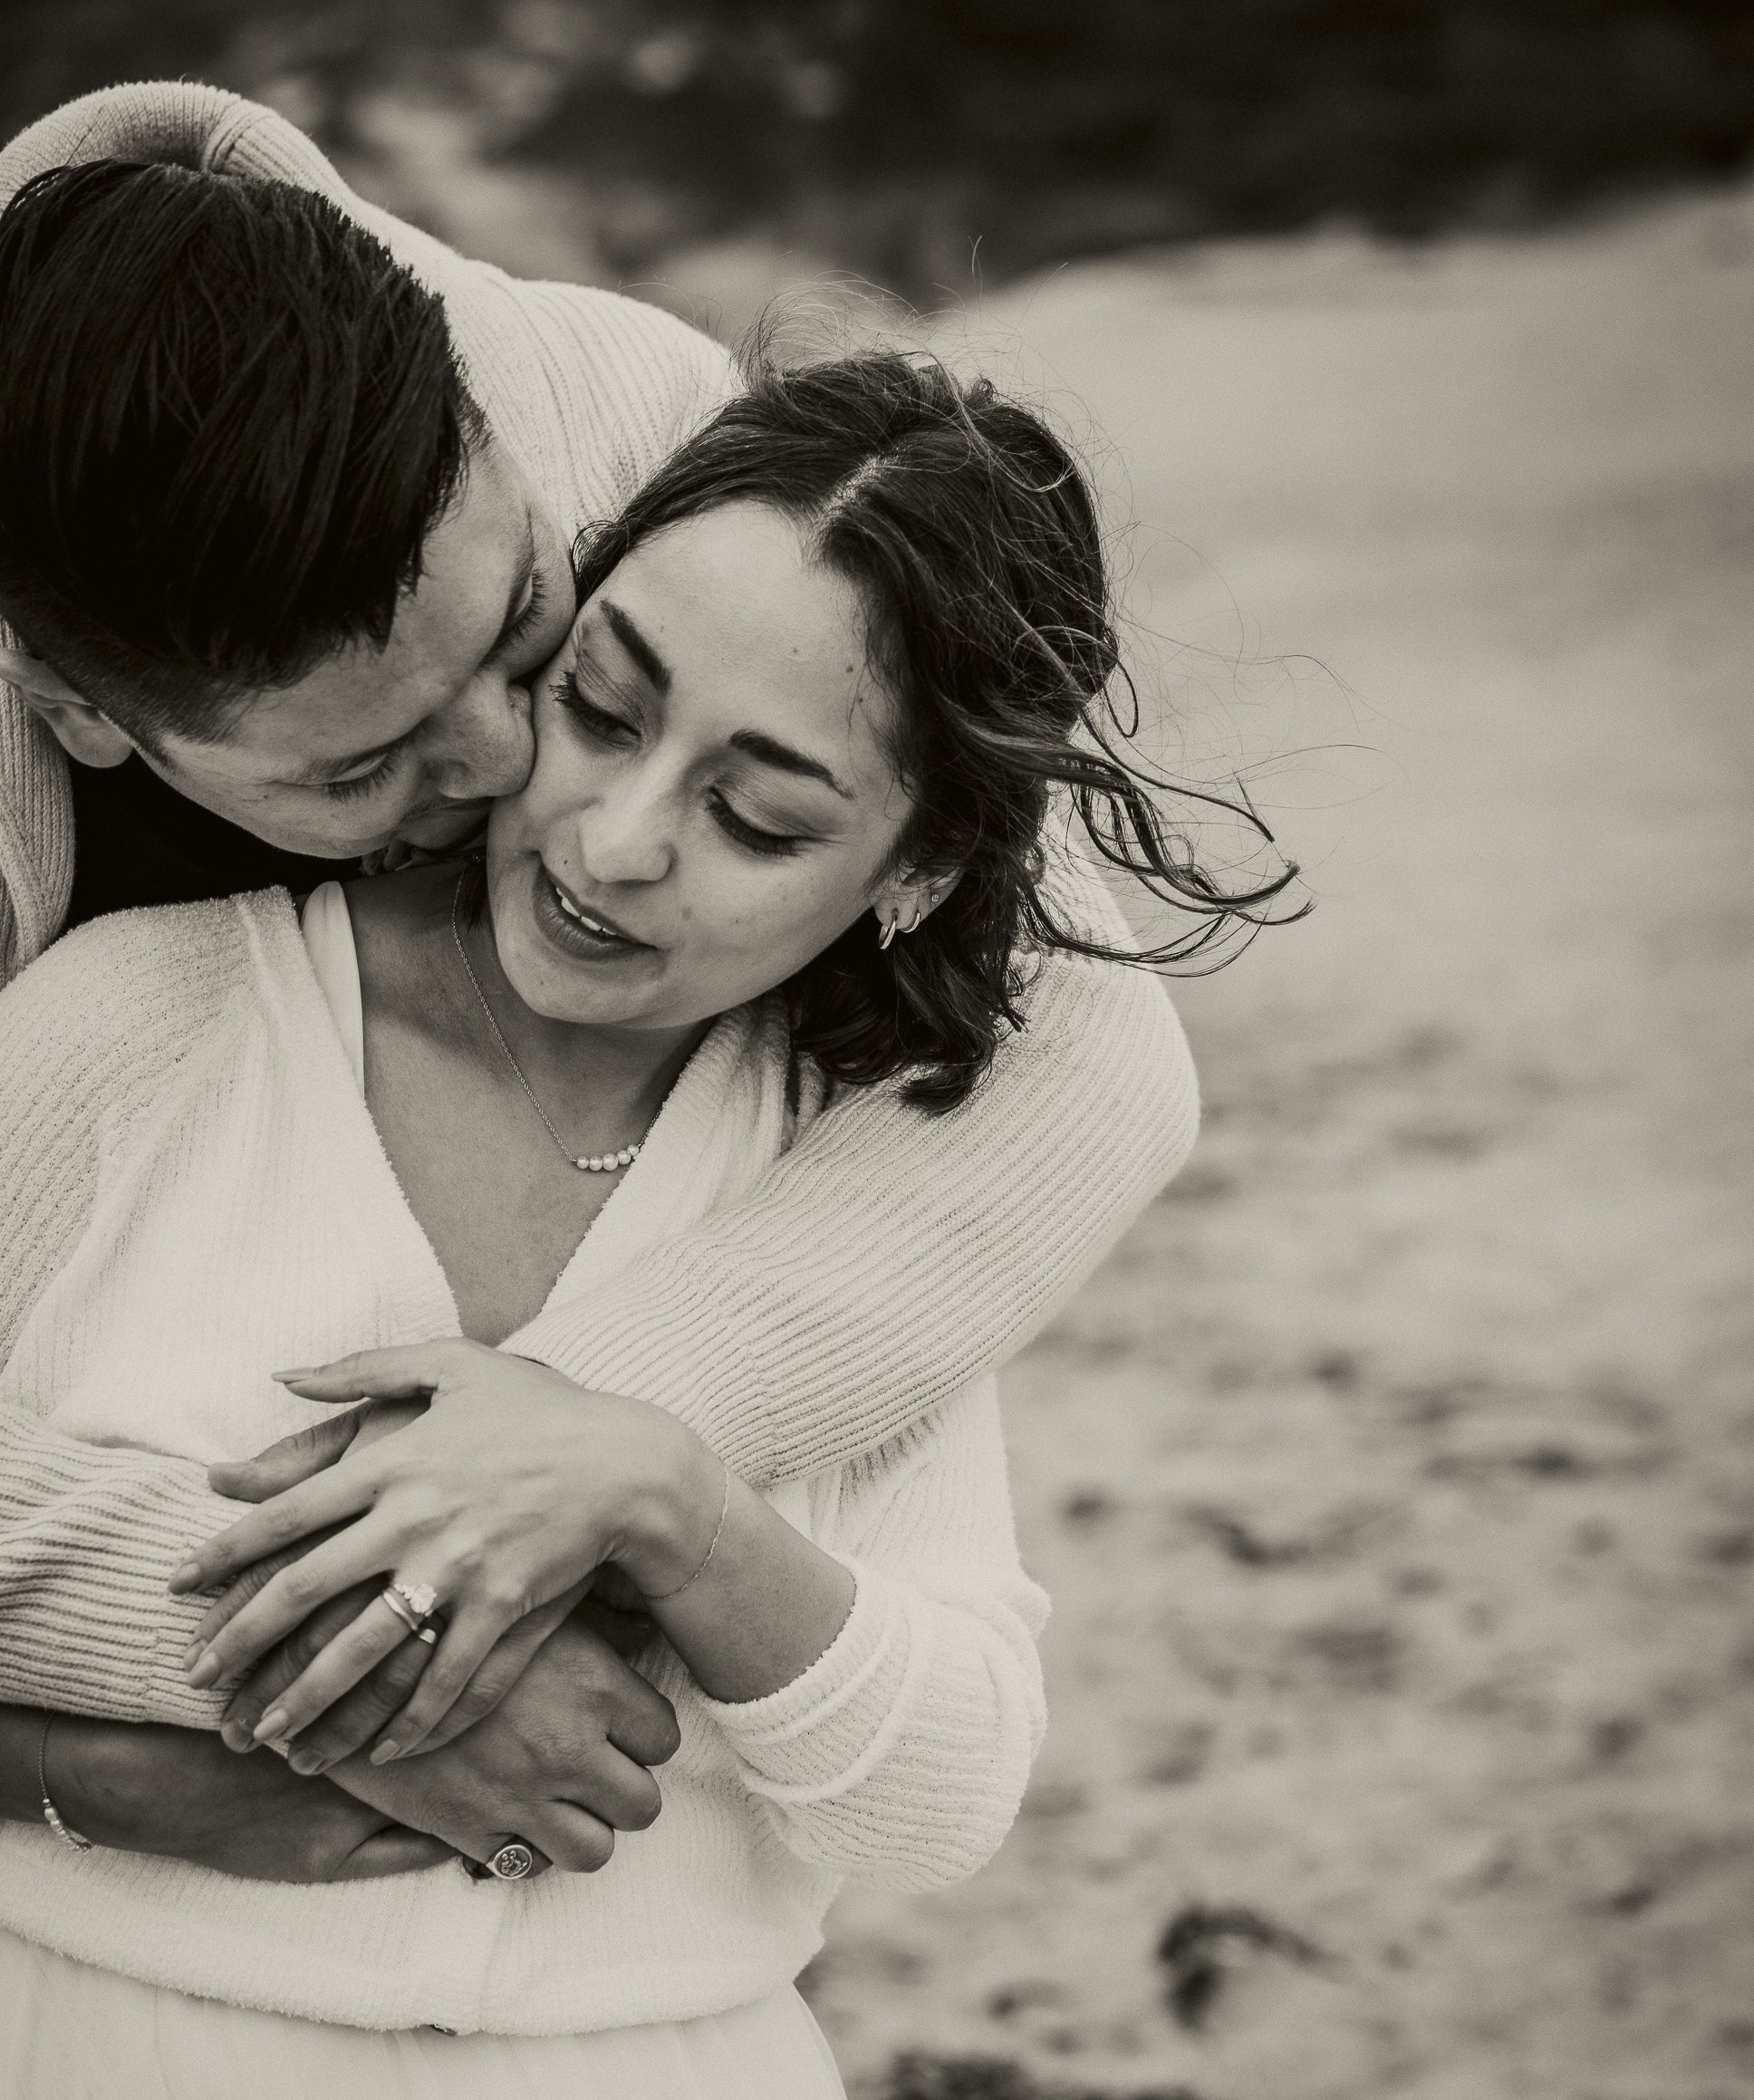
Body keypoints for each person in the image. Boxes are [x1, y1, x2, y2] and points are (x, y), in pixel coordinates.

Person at [1, 349, 1286, 2100]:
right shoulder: (141, 1023)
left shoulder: (864, 1167)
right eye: (595, 704)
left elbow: (934, 1794)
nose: (609, 840)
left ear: (918, 871)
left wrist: (666, 1498)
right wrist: (161, 1752)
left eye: (756, 818)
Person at [0, 85, 1203, 1887]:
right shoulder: (102, 1028)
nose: (507, 773)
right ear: (72, 709)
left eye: (530, 643)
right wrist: (259, 1702)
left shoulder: (620, 417)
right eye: (360, 769)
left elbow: (1084, 1038)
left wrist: (566, 1444)